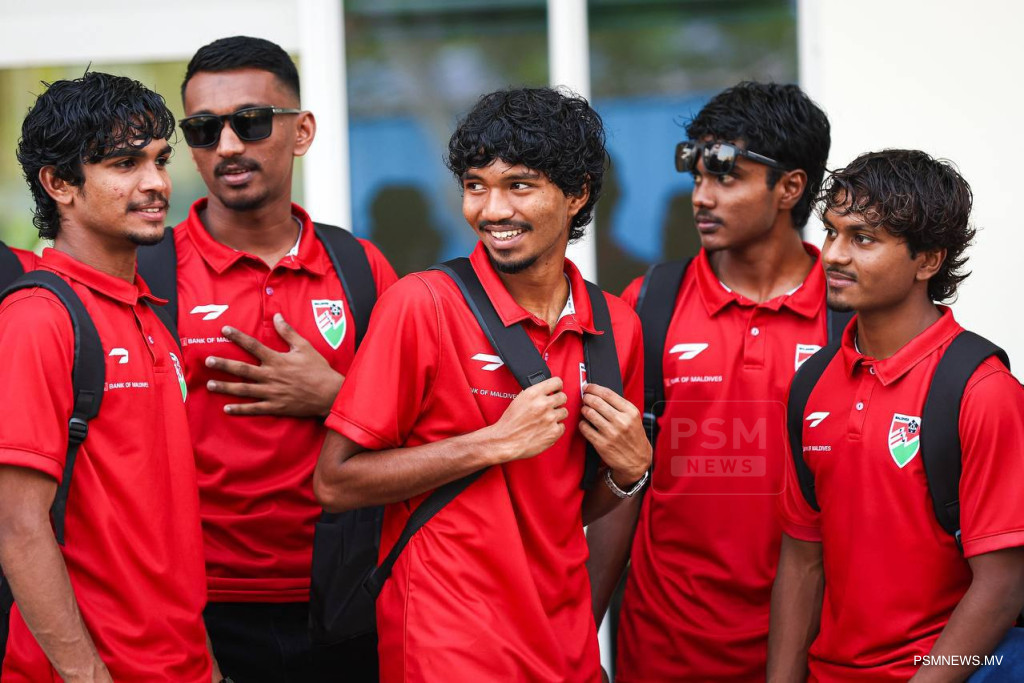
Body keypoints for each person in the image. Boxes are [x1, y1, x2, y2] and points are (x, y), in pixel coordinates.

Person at [314, 86, 651, 682]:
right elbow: (336, 482)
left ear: (576, 194)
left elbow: (570, 502)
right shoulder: (421, 304)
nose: (492, 210)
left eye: (519, 185)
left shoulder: (615, 325)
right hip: (448, 647)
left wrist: (630, 474)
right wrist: (493, 443)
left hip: (564, 645)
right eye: (476, 186)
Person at [586, 81, 833, 681]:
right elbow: (623, 482)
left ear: (790, 188)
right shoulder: (652, 304)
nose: (701, 196)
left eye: (726, 178)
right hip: (663, 648)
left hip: (807, 648)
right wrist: (575, 635)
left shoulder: (846, 317)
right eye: (697, 177)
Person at [170, 36, 396, 681]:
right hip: (197, 600)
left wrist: (334, 397)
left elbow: (427, 427)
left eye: (250, 121)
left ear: (302, 132)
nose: (227, 146)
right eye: (203, 129)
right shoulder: (152, 272)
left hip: (347, 591)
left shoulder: (359, 267)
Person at [769, 150, 1024, 681]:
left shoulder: (982, 390)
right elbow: (802, 559)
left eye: (863, 239)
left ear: (928, 261)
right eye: (832, 232)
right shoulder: (812, 382)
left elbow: (1003, 585)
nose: (834, 255)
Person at [0, 72, 212, 681]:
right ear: (59, 183)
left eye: (160, 160)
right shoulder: (39, 317)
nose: (156, 183)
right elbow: (18, 526)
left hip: (182, 663)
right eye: (124, 164)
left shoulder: (147, 311)